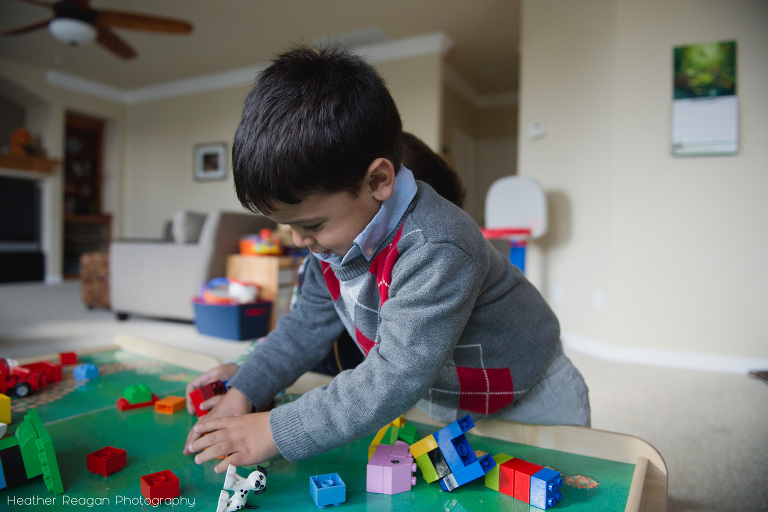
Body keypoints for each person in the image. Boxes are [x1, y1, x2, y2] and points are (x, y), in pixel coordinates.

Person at [184, 44, 590, 473]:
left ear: (378, 180)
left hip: (531, 394)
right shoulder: (329, 244)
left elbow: (393, 375)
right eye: (288, 225)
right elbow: (305, 326)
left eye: (313, 224)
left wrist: (273, 431)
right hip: (448, 401)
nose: (300, 240)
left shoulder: (438, 245)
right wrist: (244, 389)